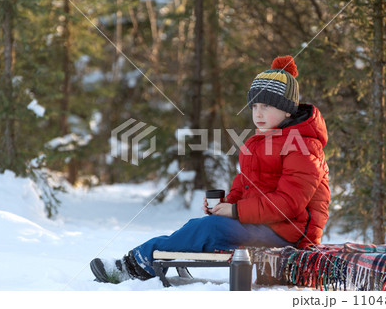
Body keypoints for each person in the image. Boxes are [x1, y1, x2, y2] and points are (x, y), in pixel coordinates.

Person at [90, 55, 330, 283]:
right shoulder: (260, 142)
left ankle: (134, 266)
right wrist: (224, 205)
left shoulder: (303, 146)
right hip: (266, 225)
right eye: (254, 105)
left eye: (266, 106)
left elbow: (288, 204)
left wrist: (235, 211)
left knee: (208, 229)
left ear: (287, 109)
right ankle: (140, 260)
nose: (258, 113)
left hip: (290, 233)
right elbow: (246, 186)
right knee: (202, 226)